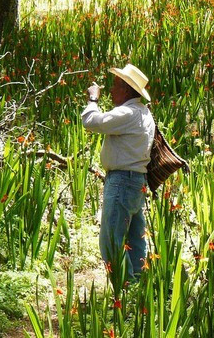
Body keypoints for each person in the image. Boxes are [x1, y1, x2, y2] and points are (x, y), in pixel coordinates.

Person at [81, 63, 155, 283]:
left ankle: (122, 289)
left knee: (111, 241)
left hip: (123, 181)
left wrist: (93, 99)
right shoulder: (142, 112)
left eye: (115, 86)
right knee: (134, 238)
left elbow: (91, 122)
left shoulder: (128, 113)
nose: (111, 91)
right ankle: (136, 287)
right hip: (135, 182)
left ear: (127, 90)